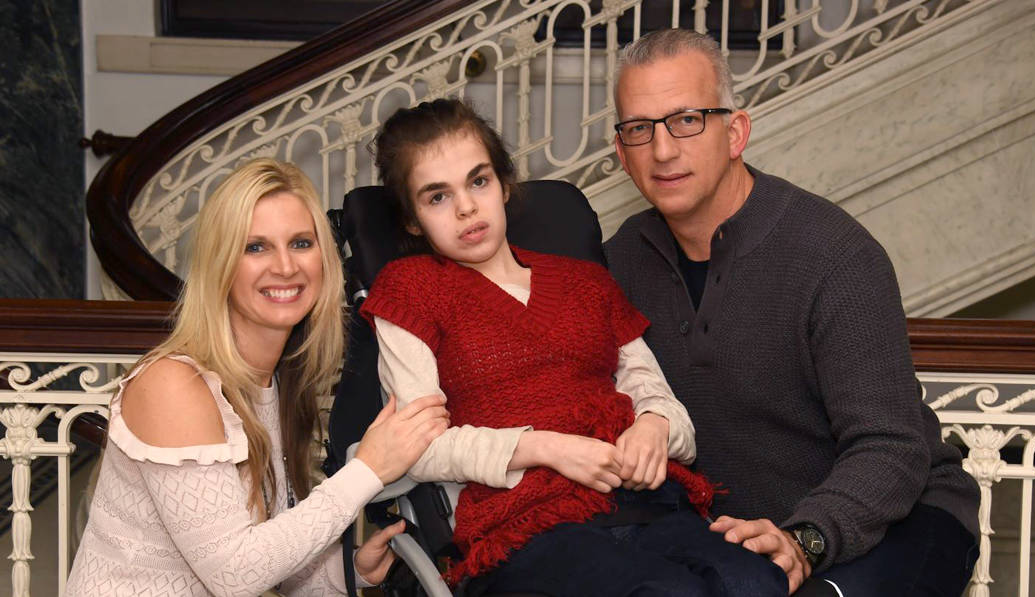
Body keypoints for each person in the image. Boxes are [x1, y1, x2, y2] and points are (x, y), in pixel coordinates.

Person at [604, 28, 981, 596]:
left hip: (894, 518)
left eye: (686, 120)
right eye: (639, 129)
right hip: (735, 542)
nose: (662, 150)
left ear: (735, 132)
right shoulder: (617, 265)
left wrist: (805, 538)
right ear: (621, 153)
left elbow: (890, 447)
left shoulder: (834, 255)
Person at [359, 98, 788, 596]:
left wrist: (653, 426)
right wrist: (548, 449)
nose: (466, 208)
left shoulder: (586, 282)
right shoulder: (409, 290)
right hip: (525, 529)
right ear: (411, 219)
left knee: (756, 581)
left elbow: (660, 400)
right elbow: (419, 446)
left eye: (478, 181)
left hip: (646, 501)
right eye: (437, 197)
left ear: (502, 184)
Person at [67, 159, 449, 596]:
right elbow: (234, 575)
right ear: (221, 265)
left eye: (301, 243)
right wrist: (369, 470)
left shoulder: (272, 384)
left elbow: (273, 569)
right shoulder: (173, 385)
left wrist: (353, 572)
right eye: (256, 247)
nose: (285, 267)